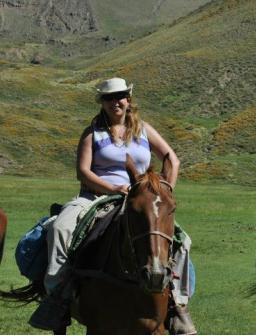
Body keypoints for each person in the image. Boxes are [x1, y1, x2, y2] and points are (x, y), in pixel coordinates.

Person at [29, 77, 196, 334]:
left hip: (140, 198)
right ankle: (58, 296)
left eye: (120, 96)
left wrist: (164, 192)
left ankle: (178, 305)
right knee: (60, 229)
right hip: (94, 196)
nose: (115, 101)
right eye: (109, 98)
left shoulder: (144, 130)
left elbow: (171, 158)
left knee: (181, 241)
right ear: (103, 103)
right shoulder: (93, 133)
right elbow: (83, 172)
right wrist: (113, 188)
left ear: (128, 99)